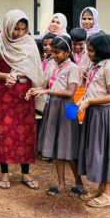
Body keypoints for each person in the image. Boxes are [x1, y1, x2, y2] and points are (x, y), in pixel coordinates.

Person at [0, 10, 40, 189]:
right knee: (4, 133)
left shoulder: (29, 43)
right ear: (8, 26)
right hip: (4, 94)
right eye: (16, 29)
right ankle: (5, 173)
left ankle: (25, 173)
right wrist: (5, 76)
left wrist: (22, 73)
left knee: (25, 133)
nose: (19, 33)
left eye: (23, 29)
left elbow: (35, 67)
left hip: (25, 94)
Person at [30, 35, 81, 196]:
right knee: (57, 146)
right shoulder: (51, 65)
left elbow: (70, 92)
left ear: (67, 53)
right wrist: (35, 89)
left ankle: (79, 183)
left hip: (68, 107)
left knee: (69, 146)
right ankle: (61, 183)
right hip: (52, 106)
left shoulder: (73, 68)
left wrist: (46, 91)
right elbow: (45, 84)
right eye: (52, 52)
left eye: (57, 52)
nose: (53, 55)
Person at [77, 34, 110, 208]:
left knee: (106, 151)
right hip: (94, 112)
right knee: (96, 150)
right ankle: (101, 188)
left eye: (91, 50)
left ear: (101, 50)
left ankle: (109, 194)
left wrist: (89, 102)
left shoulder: (109, 67)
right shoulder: (95, 66)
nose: (87, 53)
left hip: (104, 114)